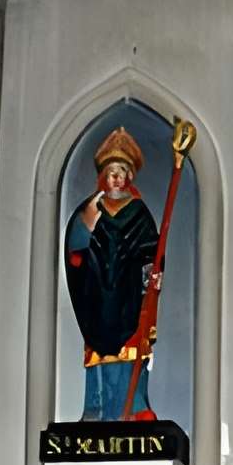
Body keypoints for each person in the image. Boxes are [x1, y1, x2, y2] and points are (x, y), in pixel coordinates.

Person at [64, 128, 161, 421]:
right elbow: (76, 250)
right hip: (97, 293)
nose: (116, 178)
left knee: (134, 346)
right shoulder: (91, 210)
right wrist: (86, 229)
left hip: (128, 294)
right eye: (111, 172)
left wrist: (152, 273)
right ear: (103, 176)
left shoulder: (138, 212)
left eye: (121, 172)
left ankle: (135, 406)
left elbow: (151, 251)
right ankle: (96, 409)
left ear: (129, 176)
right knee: (98, 347)